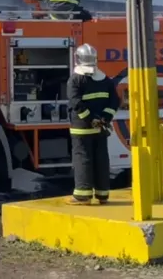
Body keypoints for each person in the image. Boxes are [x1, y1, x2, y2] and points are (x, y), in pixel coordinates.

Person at [65, 43, 119, 205]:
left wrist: (90, 119)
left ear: (78, 59)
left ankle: (83, 195)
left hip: (82, 128)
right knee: (101, 159)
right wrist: (104, 119)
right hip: (100, 129)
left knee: (83, 158)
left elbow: (76, 102)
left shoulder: (75, 79)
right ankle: (103, 194)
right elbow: (114, 101)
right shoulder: (105, 79)